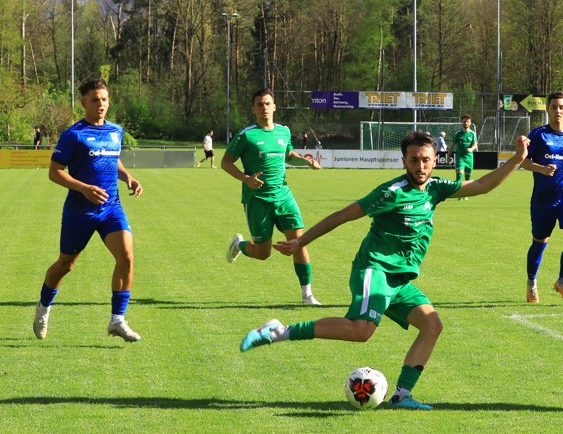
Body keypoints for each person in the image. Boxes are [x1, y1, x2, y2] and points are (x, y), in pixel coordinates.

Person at [238, 132, 532, 411]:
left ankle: (403, 395)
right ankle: (279, 331)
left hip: (399, 279)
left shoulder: (436, 188)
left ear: (435, 160)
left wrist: (517, 159)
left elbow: (482, 186)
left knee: (432, 325)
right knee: (361, 330)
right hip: (374, 269)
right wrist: (301, 240)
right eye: (414, 159)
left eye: (426, 159)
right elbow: (343, 215)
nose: (421, 165)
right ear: (404, 160)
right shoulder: (390, 193)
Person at [34, 78, 144, 342]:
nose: (101, 104)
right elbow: (54, 172)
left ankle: (117, 320)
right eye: (95, 100)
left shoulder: (116, 131)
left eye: (104, 99)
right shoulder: (74, 135)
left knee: (127, 257)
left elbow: (112, 158)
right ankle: (43, 307)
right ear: (84, 103)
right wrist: (84, 188)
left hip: (111, 207)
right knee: (65, 265)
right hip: (80, 211)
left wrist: (128, 177)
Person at [222, 88, 323, 306]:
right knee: (262, 253)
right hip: (257, 200)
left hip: (284, 196)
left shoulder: (284, 132)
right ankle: (239, 245)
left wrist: (306, 161)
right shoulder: (246, 135)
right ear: (253, 109)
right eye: (259, 104)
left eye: (267, 104)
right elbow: (226, 162)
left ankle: (307, 295)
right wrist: (246, 178)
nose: (264, 108)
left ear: (274, 106)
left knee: (298, 242)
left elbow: (288, 156)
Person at [521, 91, 563, 305]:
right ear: (548, 110)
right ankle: (531, 283)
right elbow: (523, 161)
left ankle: (562, 282)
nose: (558, 111)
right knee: (540, 243)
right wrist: (541, 169)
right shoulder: (538, 135)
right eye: (554, 107)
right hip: (543, 199)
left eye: (561, 107)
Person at [450, 115, 478, 184]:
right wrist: (448, 156)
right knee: (459, 176)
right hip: (460, 157)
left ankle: (466, 193)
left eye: (467, 121)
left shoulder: (472, 134)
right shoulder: (457, 133)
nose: (466, 123)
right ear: (462, 122)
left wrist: (471, 149)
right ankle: (457, 192)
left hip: (469, 158)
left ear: (470, 123)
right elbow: (452, 146)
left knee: (468, 178)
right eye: (464, 121)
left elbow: (475, 144)